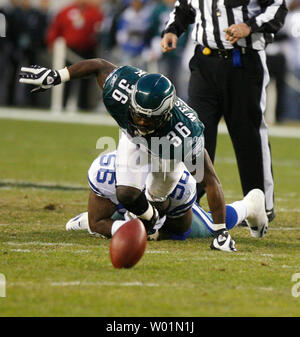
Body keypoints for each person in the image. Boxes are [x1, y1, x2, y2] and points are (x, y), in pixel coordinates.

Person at [19, 57, 266, 252]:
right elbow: (98, 65)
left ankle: (249, 206)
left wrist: (221, 233)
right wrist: (57, 76)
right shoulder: (120, 90)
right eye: (136, 113)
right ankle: (148, 219)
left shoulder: (184, 135)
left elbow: (211, 181)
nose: (139, 121)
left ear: (166, 115)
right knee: (126, 193)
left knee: (170, 213)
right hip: (132, 141)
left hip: (166, 152)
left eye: (147, 119)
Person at [160, 0, 288, 223]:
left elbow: (278, 7)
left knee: (248, 135)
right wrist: (172, 30)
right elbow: (184, 8)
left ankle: (261, 203)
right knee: (195, 135)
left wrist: (249, 25)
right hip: (204, 63)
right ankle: (190, 202)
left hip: (243, 62)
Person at [65, 150, 268, 244]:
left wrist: (156, 235)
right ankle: (117, 219)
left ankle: (250, 205)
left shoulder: (179, 185)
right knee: (99, 221)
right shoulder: (107, 170)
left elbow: (180, 232)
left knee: (205, 227)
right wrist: (119, 229)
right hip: (127, 204)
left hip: (166, 210)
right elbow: (97, 221)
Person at [45, 0, 104, 110]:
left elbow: (99, 32)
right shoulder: (65, 11)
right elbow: (55, 28)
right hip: (69, 51)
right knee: (66, 77)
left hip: (88, 50)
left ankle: (83, 106)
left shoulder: (95, 12)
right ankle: (62, 104)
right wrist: (52, 43)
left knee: (86, 81)